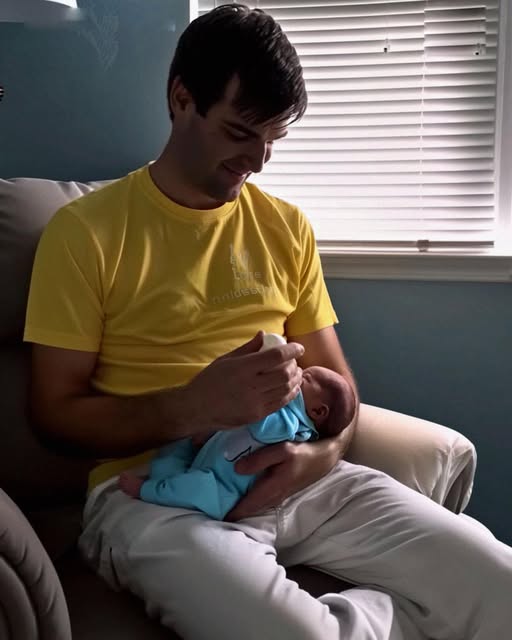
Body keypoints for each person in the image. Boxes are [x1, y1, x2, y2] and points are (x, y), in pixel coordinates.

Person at [24, 4, 512, 640]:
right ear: (181, 99)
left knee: (501, 584)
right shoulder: (85, 233)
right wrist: (192, 406)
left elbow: (339, 386)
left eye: (273, 138)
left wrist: (318, 455)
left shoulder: (284, 227)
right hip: (152, 495)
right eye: (239, 132)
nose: (256, 159)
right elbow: (53, 414)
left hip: (299, 479)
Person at [119, 339, 352, 520]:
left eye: (306, 378)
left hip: (223, 486)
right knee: (175, 449)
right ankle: (160, 478)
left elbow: (261, 427)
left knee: (196, 488)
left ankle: (147, 490)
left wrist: (268, 394)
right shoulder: (289, 411)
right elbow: (237, 422)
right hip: (207, 455)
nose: (297, 372)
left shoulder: (293, 426)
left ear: (318, 411)